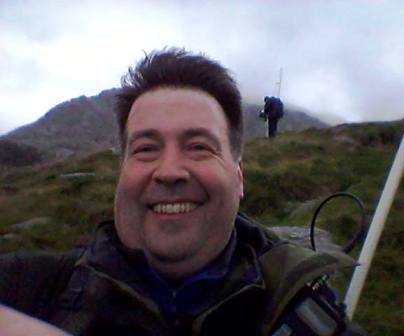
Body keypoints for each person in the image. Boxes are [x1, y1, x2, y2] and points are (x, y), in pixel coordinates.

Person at [0, 48, 366, 335]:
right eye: (145, 148)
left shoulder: (306, 319)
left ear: (239, 178)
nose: (170, 171)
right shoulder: (28, 290)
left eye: (198, 146)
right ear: (121, 172)